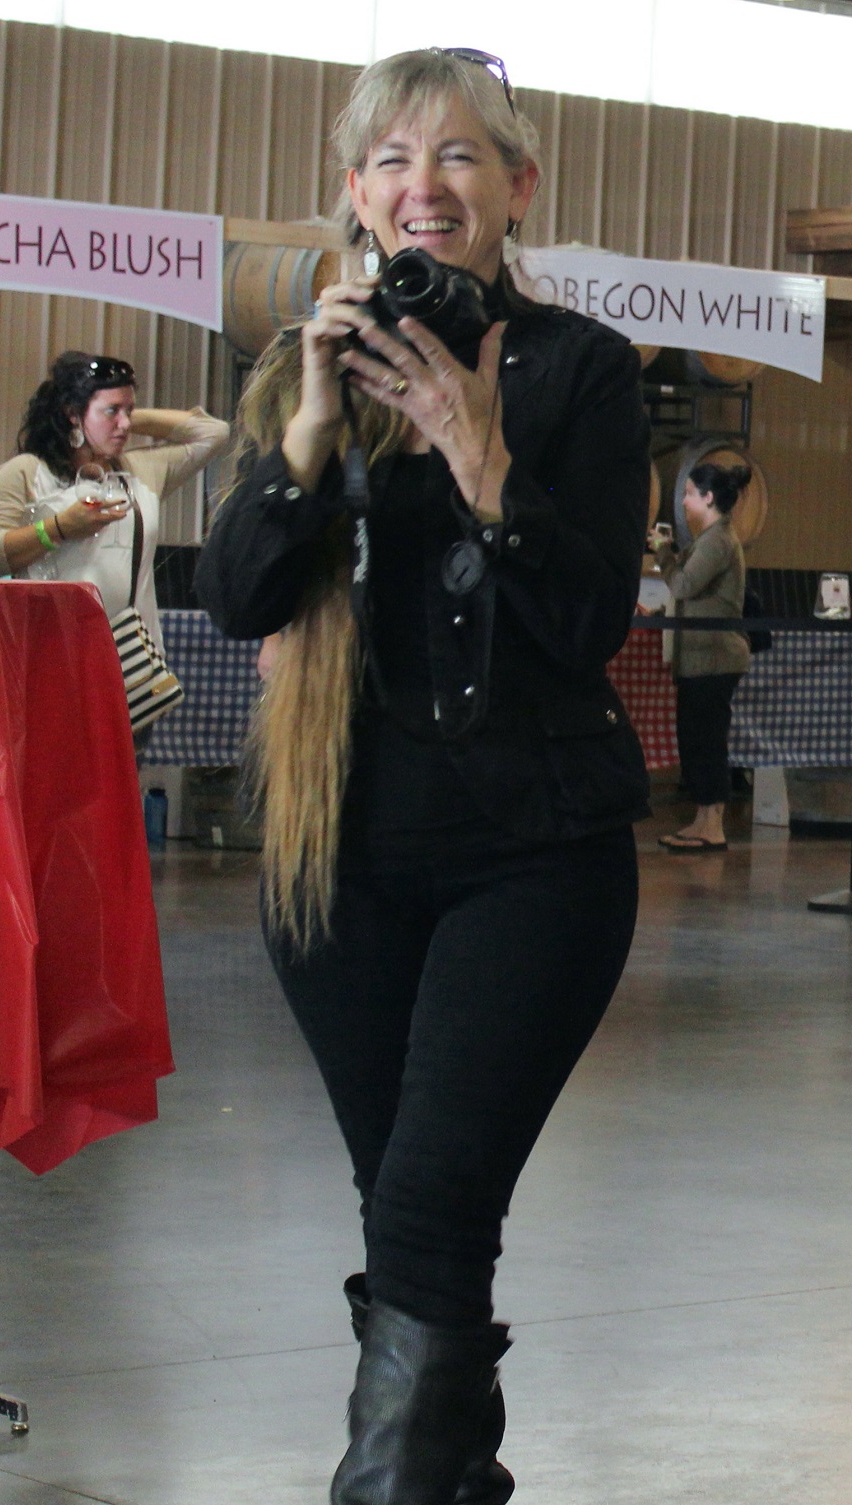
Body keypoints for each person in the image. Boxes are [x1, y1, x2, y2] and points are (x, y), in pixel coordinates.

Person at [195, 47, 650, 1504]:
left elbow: (588, 621)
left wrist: (477, 450)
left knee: (432, 1200)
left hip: (533, 853)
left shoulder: (581, 370)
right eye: (392, 159)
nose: (423, 185)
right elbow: (238, 598)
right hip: (336, 855)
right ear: (355, 191)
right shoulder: (304, 367)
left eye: (457, 155)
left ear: (518, 186)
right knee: (404, 1205)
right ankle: (452, 1477)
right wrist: (307, 439)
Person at [0, 351, 228, 660]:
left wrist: (119, 415)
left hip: (131, 657)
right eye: (112, 411)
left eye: (129, 410)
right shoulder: (26, 472)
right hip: (51, 651)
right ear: (73, 414)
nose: (125, 424)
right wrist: (58, 529)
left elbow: (213, 433)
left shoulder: (140, 470)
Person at [652, 462, 751, 852]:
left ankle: (712, 826)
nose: (684, 501)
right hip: (701, 659)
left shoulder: (717, 540)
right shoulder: (710, 537)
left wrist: (663, 552)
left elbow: (684, 585)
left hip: (713, 659)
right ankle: (702, 819)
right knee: (696, 739)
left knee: (706, 741)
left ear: (709, 498)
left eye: (690, 493)